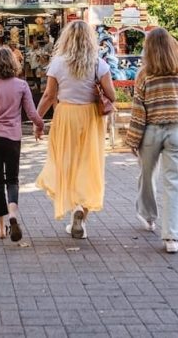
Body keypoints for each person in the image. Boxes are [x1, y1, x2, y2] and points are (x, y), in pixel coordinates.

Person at [35, 20, 116, 239]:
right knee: (89, 164)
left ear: (67, 39)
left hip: (66, 115)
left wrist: (37, 120)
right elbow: (112, 96)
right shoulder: (99, 64)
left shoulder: (58, 63)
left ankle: (73, 205)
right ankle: (81, 210)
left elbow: (49, 96)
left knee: (65, 162)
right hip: (90, 117)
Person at [125, 28, 178, 254]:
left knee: (146, 175)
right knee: (175, 182)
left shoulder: (145, 75)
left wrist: (133, 139)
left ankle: (148, 215)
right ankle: (172, 236)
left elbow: (139, 110)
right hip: (176, 131)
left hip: (151, 131)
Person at [0, 47, 45, 241]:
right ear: (13, 64)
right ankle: (13, 214)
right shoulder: (21, 85)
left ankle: (1, 228)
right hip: (13, 137)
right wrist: (40, 126)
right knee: (12, 179)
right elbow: (31, 113)